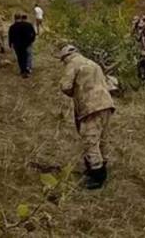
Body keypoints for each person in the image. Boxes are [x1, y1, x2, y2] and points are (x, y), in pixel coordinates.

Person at [58, 45, 115, 190]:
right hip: (107, 104)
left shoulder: (73, 63)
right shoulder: (92, 63)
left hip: (91, 107)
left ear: (66, 57)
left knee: (90, 140)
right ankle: (103, 165)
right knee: (103, 137)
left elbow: (65, 86)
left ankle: (97, 176)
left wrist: (76, 93)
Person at [8, 13, 36, 78]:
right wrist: (30, 41)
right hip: (25, 44)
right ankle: (26, 70)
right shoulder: (25, 25)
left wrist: (10, 43)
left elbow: (10, 36)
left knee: (19, 57)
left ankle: (22, 70)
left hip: (16, 45)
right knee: (25, 56)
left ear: (14, 18)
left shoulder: (12, 27)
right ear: (20, 18)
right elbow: (30, 34)